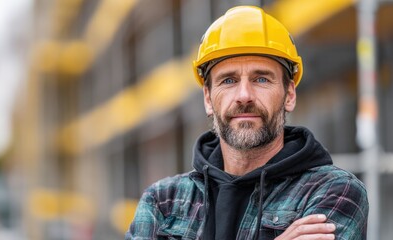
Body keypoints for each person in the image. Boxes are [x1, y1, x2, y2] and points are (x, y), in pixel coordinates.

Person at [126, 5, 368, 240]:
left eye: (261, 79)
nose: (244, 95)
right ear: (208, 99)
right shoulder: (164, 202)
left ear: (289, 95)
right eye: (228, 81)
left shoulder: (333, 192)